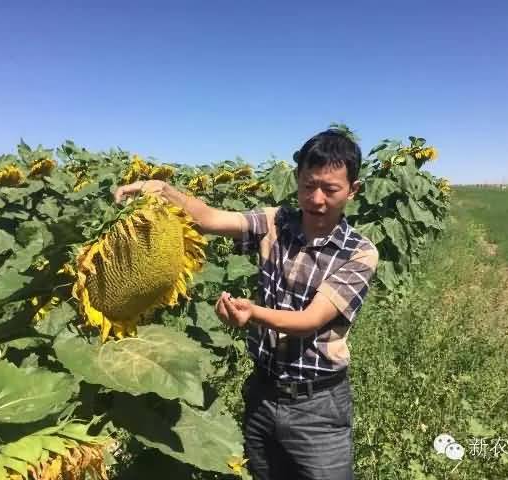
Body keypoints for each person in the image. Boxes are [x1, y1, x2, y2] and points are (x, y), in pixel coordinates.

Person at [114, 129, 378, 480]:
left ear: (353, 190)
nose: (316, 199)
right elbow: (210, 219)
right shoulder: (275, 222)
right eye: (308, 186)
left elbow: (311, 320)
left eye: (330, 190)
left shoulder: (359, 252)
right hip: (263, 393)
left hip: (317, 405)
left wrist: (252, 313)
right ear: (297, 179)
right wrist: (162, 190)